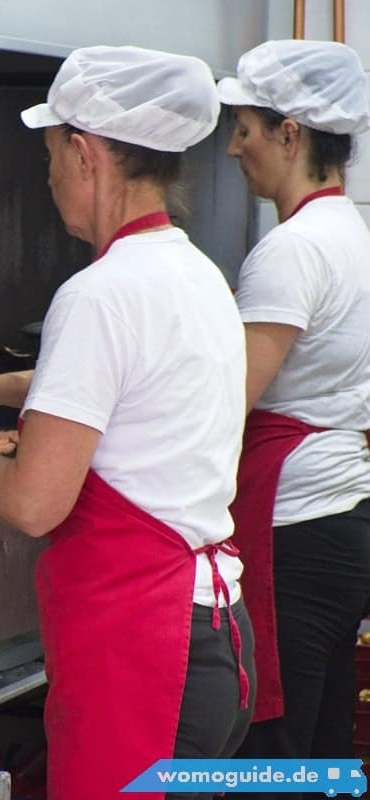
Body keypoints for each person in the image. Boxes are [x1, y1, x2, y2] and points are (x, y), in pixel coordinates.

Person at [0, 46, 254, 799]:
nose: (48, 171)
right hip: (212, 638)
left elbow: (34, 502)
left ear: (86, 153)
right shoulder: (194, 272)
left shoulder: (99, 294)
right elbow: (127, 381)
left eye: (52, 150)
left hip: (145, 653)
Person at [218, 39, 370, 775]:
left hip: (294, 532)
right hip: (341, 517)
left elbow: (225, 402)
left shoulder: (292, 250)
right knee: (320, 753)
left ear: (290, 132)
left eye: (244, 127)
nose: (232, 148)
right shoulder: (350, 231)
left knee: (270, 759)